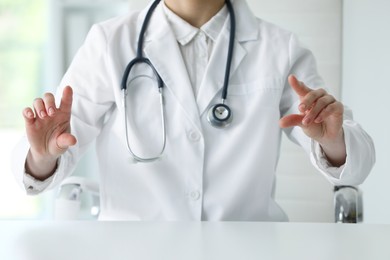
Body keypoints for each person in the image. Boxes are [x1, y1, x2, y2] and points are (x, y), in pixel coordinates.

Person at [12, 0, 375, 221]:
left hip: (245, 249)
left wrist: (334, 141)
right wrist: (41, 156)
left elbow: (354, 163)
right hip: (133, 249)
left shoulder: (279, 48)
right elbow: (54, 152)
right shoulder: (110, 42)